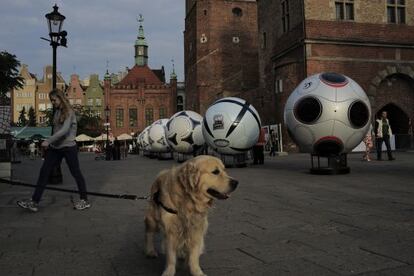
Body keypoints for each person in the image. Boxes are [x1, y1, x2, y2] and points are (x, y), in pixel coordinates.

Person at [17, 90, 90, 212]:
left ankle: (84, 200)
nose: (52, 102)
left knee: (76, 173)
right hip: (55, 148)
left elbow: (64, 131)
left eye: (54, 100)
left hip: (68, 148)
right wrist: (50, 143)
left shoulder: (70, 112)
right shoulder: (56, 112)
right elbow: (56, 130)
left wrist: (48, 141)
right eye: (51, 100)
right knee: (44, 172)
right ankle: (34, 202)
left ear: (61, 98)